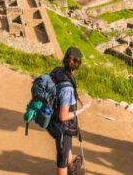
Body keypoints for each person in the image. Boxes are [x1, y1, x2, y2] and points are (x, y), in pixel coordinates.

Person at [51, 47, 90, 175]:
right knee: (61, 162)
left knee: (66, 148)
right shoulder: (67, 88)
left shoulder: (58, 72)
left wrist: (78, 99)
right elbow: (63, 116)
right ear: (77, 65)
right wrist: (81, 110)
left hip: (53, 118)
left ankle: (71, 165)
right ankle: (67, 166)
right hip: (63, 126)